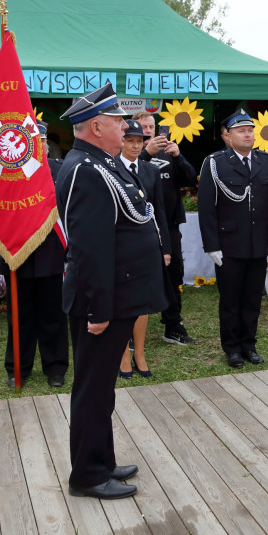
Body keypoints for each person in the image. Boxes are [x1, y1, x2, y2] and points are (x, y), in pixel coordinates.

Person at [57, 83, 167, 500]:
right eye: (119, 120)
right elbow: (89, 249)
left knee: (103, 388)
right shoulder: (85, 169)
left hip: (120, 296)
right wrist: (98, 309)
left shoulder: (103, 163)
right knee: (92, 388)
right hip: (102, 302)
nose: (128, 126)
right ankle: (86, 474)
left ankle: (100, 459)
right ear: (96, 125)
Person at [198, 109, 268, 369]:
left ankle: (249, 345)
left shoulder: (267, 161)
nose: (248, 135)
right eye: (241, 131)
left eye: (250, 130)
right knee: (231, 300)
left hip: (258, 244)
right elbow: (206, 208)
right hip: (229, 245)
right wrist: (212, 245)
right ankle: (232, 348)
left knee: (252, 299)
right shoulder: (215, 163)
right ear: (228, 136)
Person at [0, 121, 68, 388]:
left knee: (54, 316)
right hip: (17, 254)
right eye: (31, 140)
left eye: (41, 140)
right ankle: (18, 368)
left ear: (46, 144)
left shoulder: (60, 171)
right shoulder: (8, 174)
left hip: (51, 253)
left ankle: (56, 368)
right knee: (19, 317)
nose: (37, 145)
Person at [130, 109, 198, 345]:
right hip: (139, 226)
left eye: (151, 127)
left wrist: (178, 156)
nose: (149, 131)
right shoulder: (129, 151)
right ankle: (130, 328)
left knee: (174, 273)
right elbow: (127, 175)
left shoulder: (169, 151)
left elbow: (191, 179)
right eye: (143, 127)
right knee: (136, 275)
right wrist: (146, 153)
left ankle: (173, 323)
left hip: (169, 225)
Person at [115, 119, 170, 379]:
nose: (136, 146)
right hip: (122, 246)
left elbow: (159, 211)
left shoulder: (151, 172)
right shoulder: (110, 168)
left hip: (148, 245)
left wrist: (165, 248)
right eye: (130, 141)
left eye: (140, 141)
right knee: (124, 300)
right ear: (121, 141)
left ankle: (140, 352)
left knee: (144, 302)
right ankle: (123, 352)